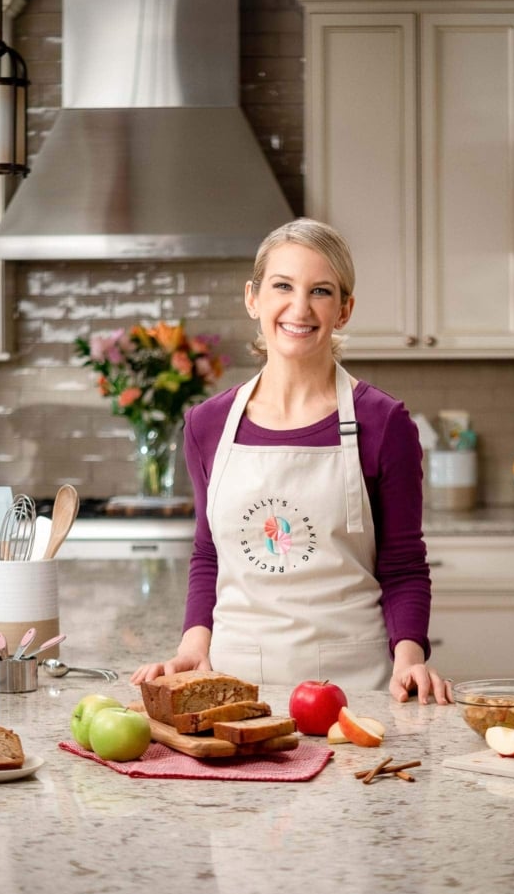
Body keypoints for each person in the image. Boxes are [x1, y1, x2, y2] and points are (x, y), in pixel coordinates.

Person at [131, 218, 452, 704]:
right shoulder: (206, 424)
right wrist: (194, 645)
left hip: (354, 690)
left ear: (344, 310)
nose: (299, 308)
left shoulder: (385, 423)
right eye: (283, 285)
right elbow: (209, 553)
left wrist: (410, 658)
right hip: (234, 690)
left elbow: (403, 564)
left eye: (320, 291)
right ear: (253, 298)